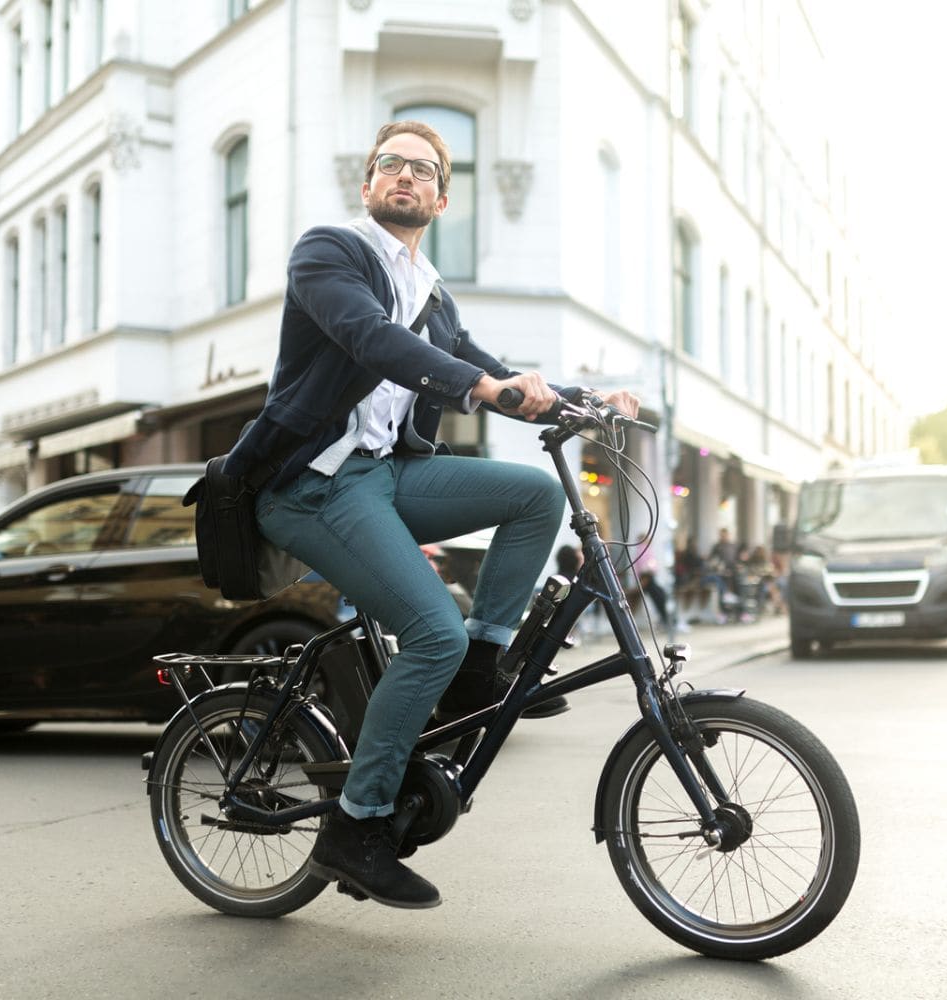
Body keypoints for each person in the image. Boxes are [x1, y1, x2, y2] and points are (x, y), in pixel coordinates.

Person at [224, 120, 640, 910]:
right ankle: (357, 826)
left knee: (536, 496)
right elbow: (370, 339)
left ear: (442, 198)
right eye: (391, 165)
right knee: (430, 633)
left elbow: (488, 367)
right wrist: (482, 390)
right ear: (368, 182)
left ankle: (481, 668)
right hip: (313, 485)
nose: (405, 177)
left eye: (423, 170)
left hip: (385, 475)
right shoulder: (330, 252)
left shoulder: (433, 292)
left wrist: (582, 399)